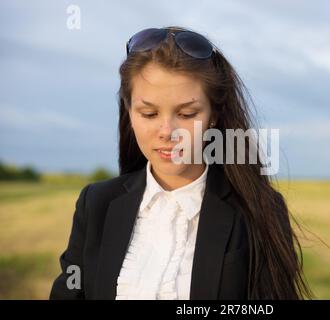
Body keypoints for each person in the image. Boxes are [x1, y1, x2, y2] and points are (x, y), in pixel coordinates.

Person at [49, 26, 312, 300]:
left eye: (187, 114)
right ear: (129, 112)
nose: (167, 131)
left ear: (213, 116)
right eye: (148, 113)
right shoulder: (96, 204)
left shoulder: (258, 209)